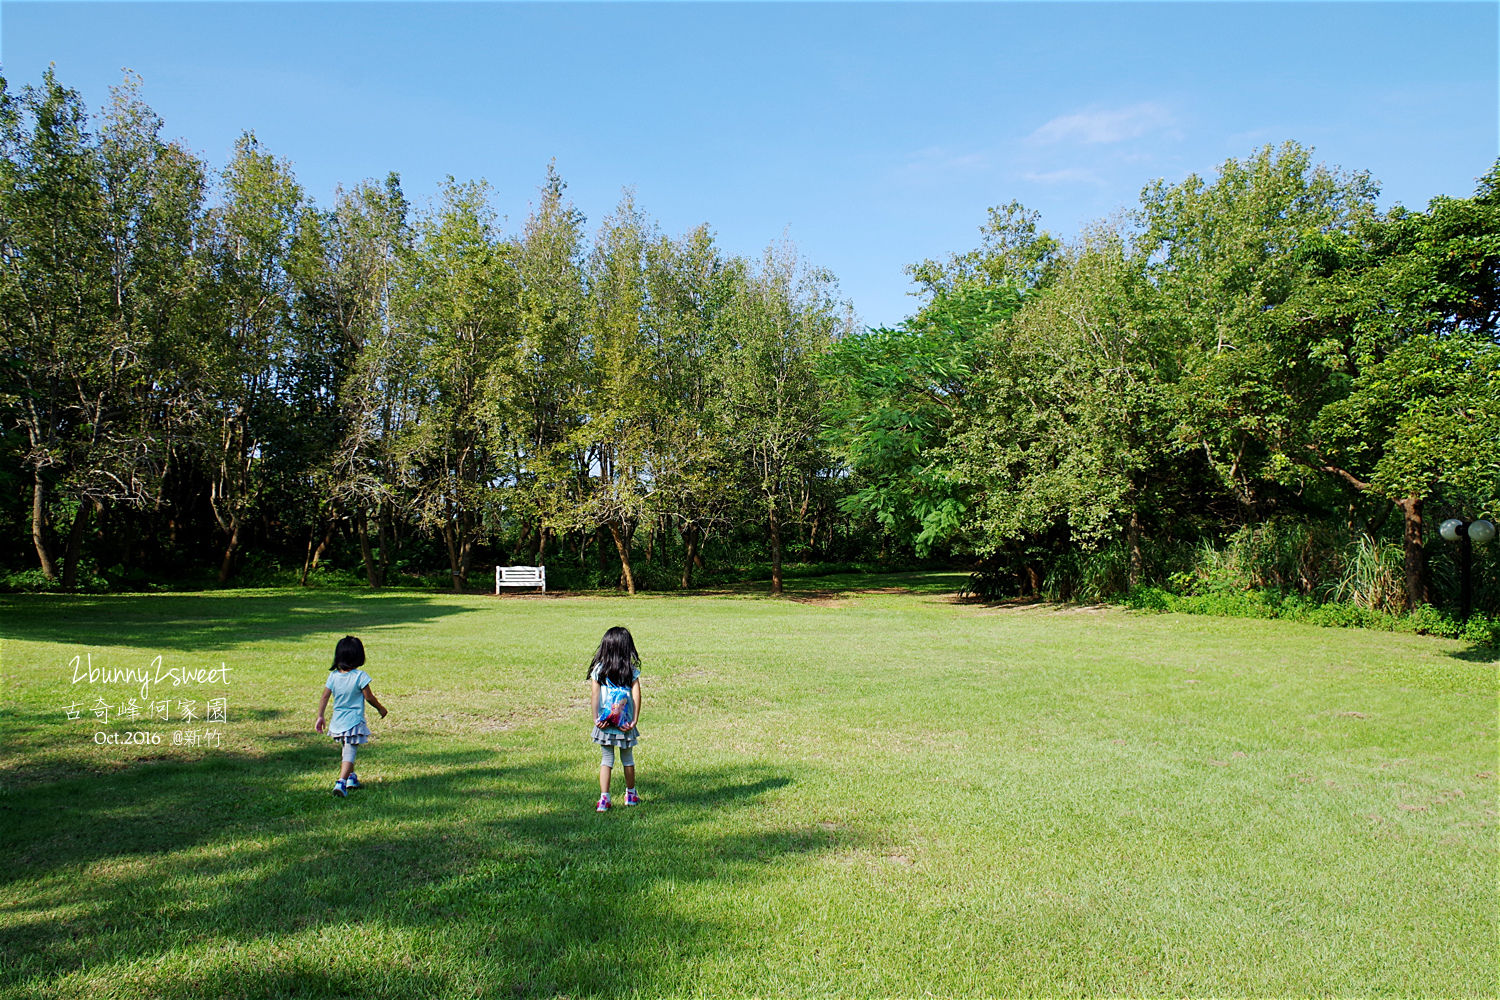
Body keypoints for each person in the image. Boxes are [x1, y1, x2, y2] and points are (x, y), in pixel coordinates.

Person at [315, 635, 387, 797]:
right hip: (353, 721)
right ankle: (341, 782)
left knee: (346, 748)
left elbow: (324, 697)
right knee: (350, 751)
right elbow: (369, 697)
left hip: (338, 722)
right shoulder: (360, 676)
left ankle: (351, 778)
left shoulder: (333, 676)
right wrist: (381, 708)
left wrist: (320, 716)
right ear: (359, 656)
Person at [588, 625, 643, 811]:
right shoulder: (630, 670)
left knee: (606, 759)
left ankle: (604, 798)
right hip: (625, 724)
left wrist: (596, 718)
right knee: (627, 759)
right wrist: (634, 720)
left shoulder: (599, 669)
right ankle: (631, 795)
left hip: (605, 722)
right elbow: (637, 696)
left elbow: (595, 696)